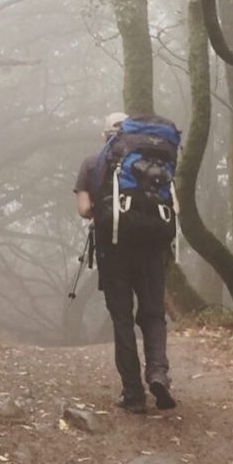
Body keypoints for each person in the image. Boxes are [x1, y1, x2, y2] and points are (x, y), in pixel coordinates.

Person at [74, 112, 176, 413]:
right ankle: (158, 373)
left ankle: (133, 393)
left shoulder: (93, 164)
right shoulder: (159, 162)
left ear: (106, 135)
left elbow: (83, 210)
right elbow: (174, 205)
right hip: (153, 248)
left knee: (122, 319)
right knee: (154, 314)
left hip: (114, 249)